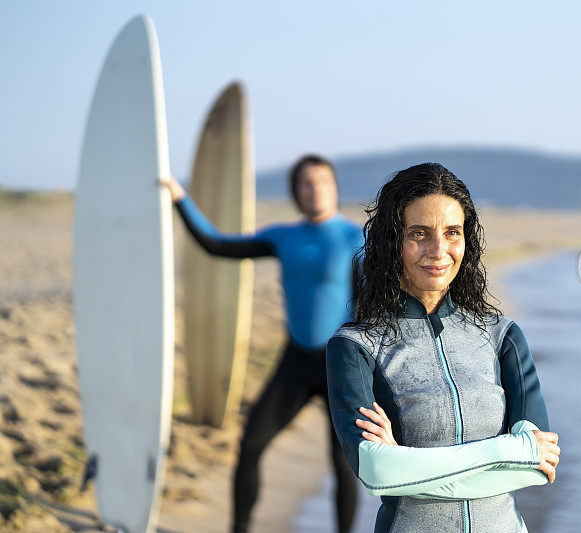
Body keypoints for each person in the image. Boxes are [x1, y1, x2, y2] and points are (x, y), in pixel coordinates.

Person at [325, 163, 560, 532]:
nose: (439, 250)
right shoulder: (355, 346)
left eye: (452, 232)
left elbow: (536, 466)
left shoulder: (502, 337)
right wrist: (506, 450)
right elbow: (376, 472)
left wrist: (407, 463)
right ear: (392, 241)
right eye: (419, 233)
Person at [158, 154, 362, 533]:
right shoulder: (283, 237)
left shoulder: (355, 238)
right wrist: (178, 198)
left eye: (322, 181)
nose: (314, 189)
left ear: (334, 188)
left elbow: (377, 304)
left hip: (342, 364)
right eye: (306, 182)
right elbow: (216, 245)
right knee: (251, 444)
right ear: (295, 192)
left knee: (341, 461)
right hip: (295, 361)